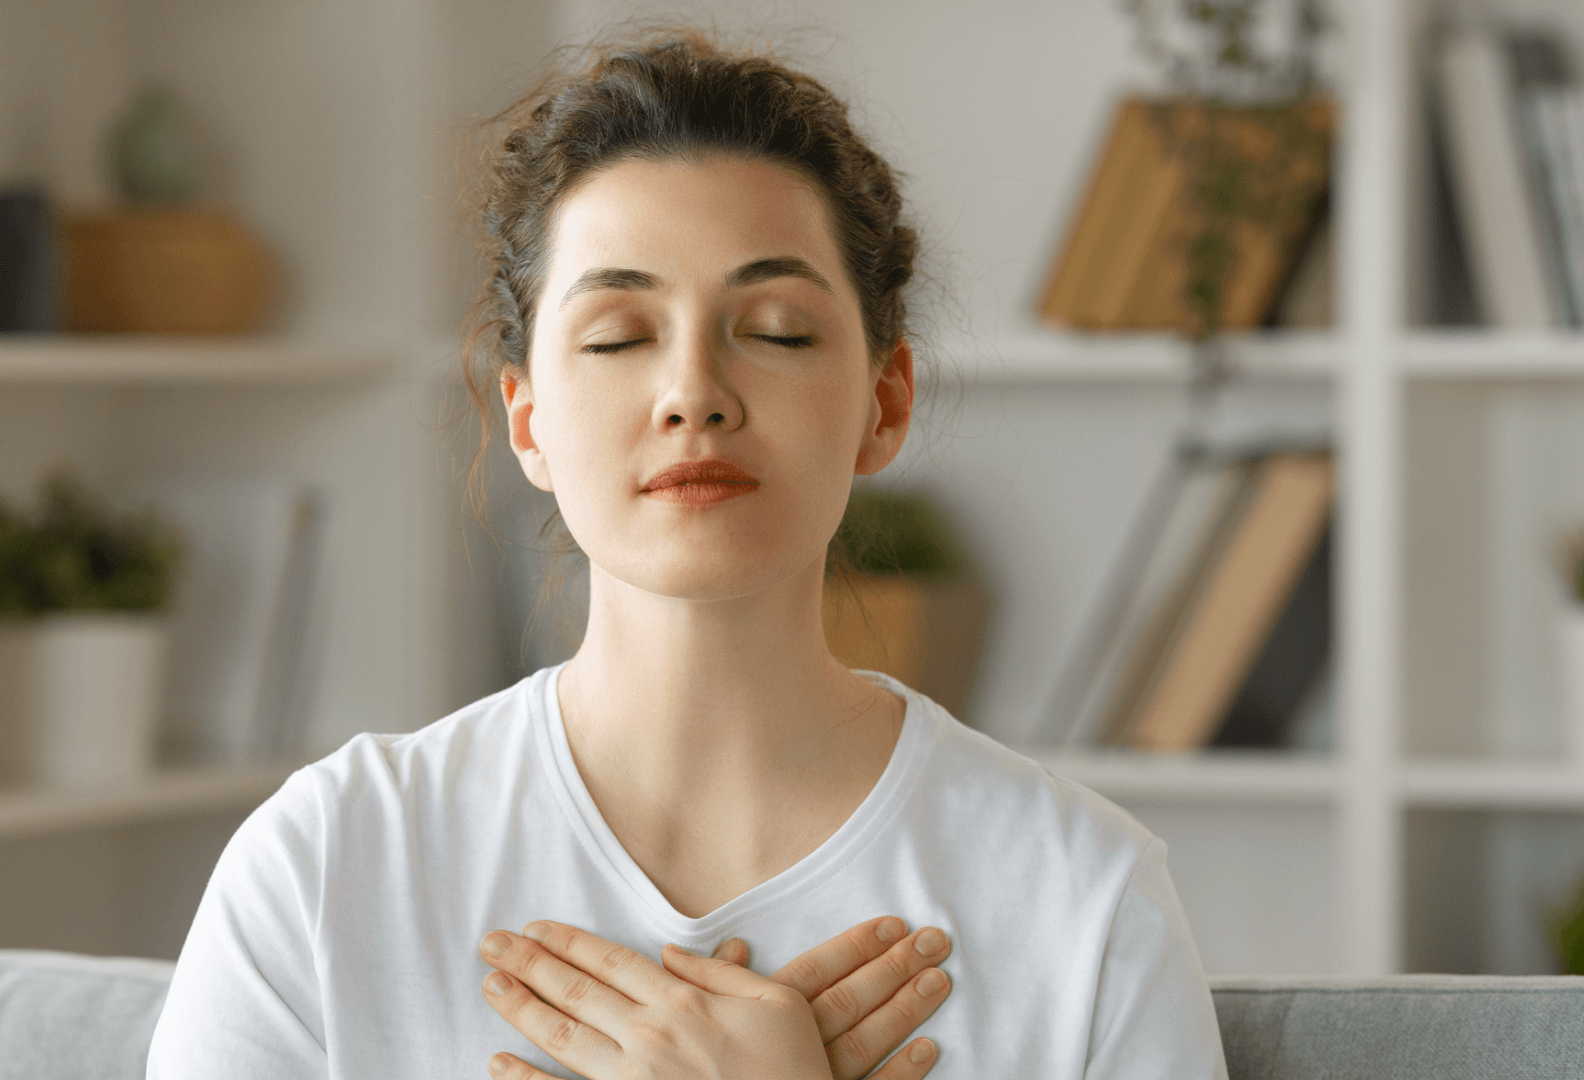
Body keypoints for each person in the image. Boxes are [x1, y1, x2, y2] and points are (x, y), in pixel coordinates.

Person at [147, 30, 1227, 1080]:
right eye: (618, 336)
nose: (693, 396)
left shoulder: (1081, 897)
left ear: (884, 402)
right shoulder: (330, 865)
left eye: (777, 329)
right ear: (527, 422)